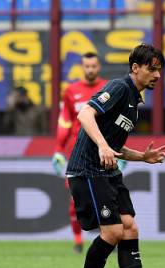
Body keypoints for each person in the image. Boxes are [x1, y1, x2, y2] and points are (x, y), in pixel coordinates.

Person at [66, 43, 165, 268]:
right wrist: (102, 146)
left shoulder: (135, 102)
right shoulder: (118, 87)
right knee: (113, 231)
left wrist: (142, 157)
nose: (157, 75)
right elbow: (85, 114)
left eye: (159, 70)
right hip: (87, 170)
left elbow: (116, 146)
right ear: (135, 68)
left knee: (129, 227)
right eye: (152, 69)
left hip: (109, 171)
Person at [52, 52, 107, 253]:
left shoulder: (108, 88)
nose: (90, 69)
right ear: (82, 67)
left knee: (106, 198)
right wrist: (59, 150)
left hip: (103, 153)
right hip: (78, 155)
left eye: (93, 66)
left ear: (98, 66)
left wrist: (118, 151)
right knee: (76, 200)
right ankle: (77, 240)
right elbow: (64, 121)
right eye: (87, 66)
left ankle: (109, 237)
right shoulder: (71, 91)